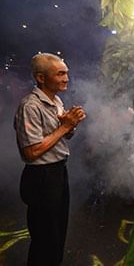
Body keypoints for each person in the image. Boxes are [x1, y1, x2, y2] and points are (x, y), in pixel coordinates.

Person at [14, 53, 86, 266]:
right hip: (41, 177)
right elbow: (32, 152)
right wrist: (64, 127)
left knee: (56, 233)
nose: (66, 78)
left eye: (67, 73)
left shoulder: (56, 100)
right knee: (44, 238)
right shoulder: (30, 106)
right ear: (41, 78)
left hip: (57, 173)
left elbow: (61, 137)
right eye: (60, 74)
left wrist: (70, 124)